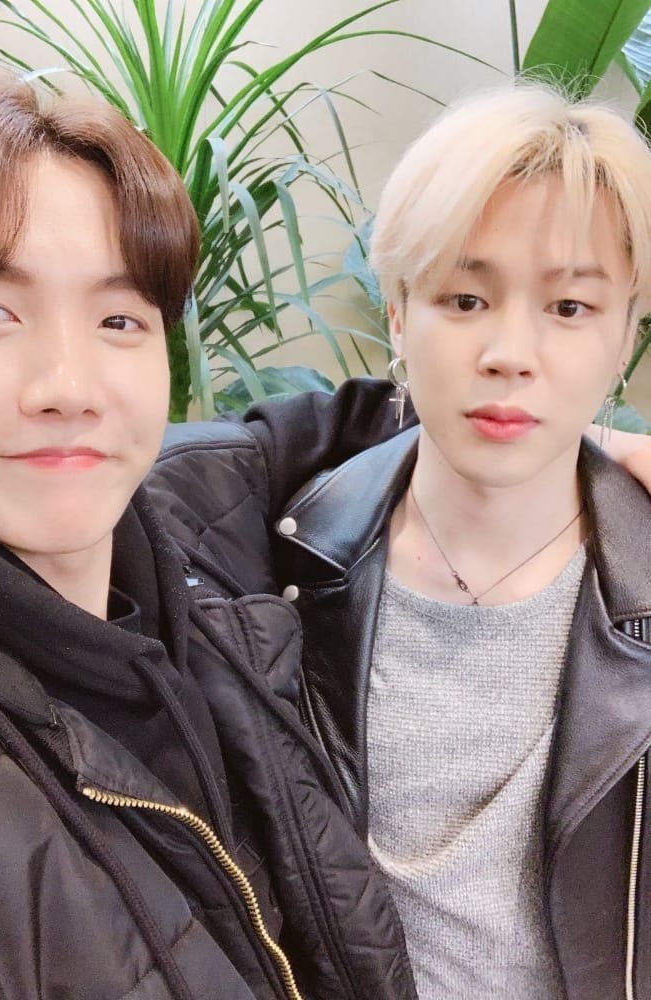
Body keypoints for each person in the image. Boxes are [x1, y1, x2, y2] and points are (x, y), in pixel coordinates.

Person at [0, 76, 417, 1000]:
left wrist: (588, 443)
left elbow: (319, 429)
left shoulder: (177, 529)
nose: (69, 387)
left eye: (119, 319)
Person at [149, 83, 651, 999]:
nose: (510, 351)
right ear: (396, 313)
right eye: (465, 298)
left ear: (625, 331)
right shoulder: (281, 556)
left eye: (570, 308)